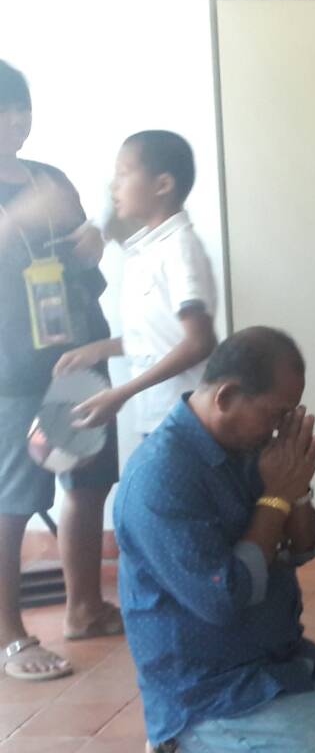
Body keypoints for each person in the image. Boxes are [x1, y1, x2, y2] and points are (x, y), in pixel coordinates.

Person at [114, 327, 315, 753]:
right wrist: (275, 498)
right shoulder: (159, 478)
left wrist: (297, 491)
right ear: (226, 397)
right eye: (276, 414)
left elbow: (304, 547)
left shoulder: (248, 446)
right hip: (211, 692)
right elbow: (223, 599)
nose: (280, 429)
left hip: (283, 661)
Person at [0, 59, 123, 681]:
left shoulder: (48, 175)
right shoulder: (27, 194)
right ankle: (10, 636)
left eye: (23, 108)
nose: (18, 120)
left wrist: (93, 236)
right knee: (13, 500)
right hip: (14, 366)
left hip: (78, 349)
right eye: (6, 109)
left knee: (88, 477)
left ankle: (84, 607)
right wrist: (21, 217)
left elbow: (84, 242)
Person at [55, 130, 218, 437]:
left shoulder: (179, 249)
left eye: (123, 173)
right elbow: (160, 340)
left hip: (186, 419)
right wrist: (100, 350)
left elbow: (199, 342)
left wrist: (122, 393)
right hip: (161, 418)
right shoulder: (146, 251)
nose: (114, 186)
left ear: (162, 185)